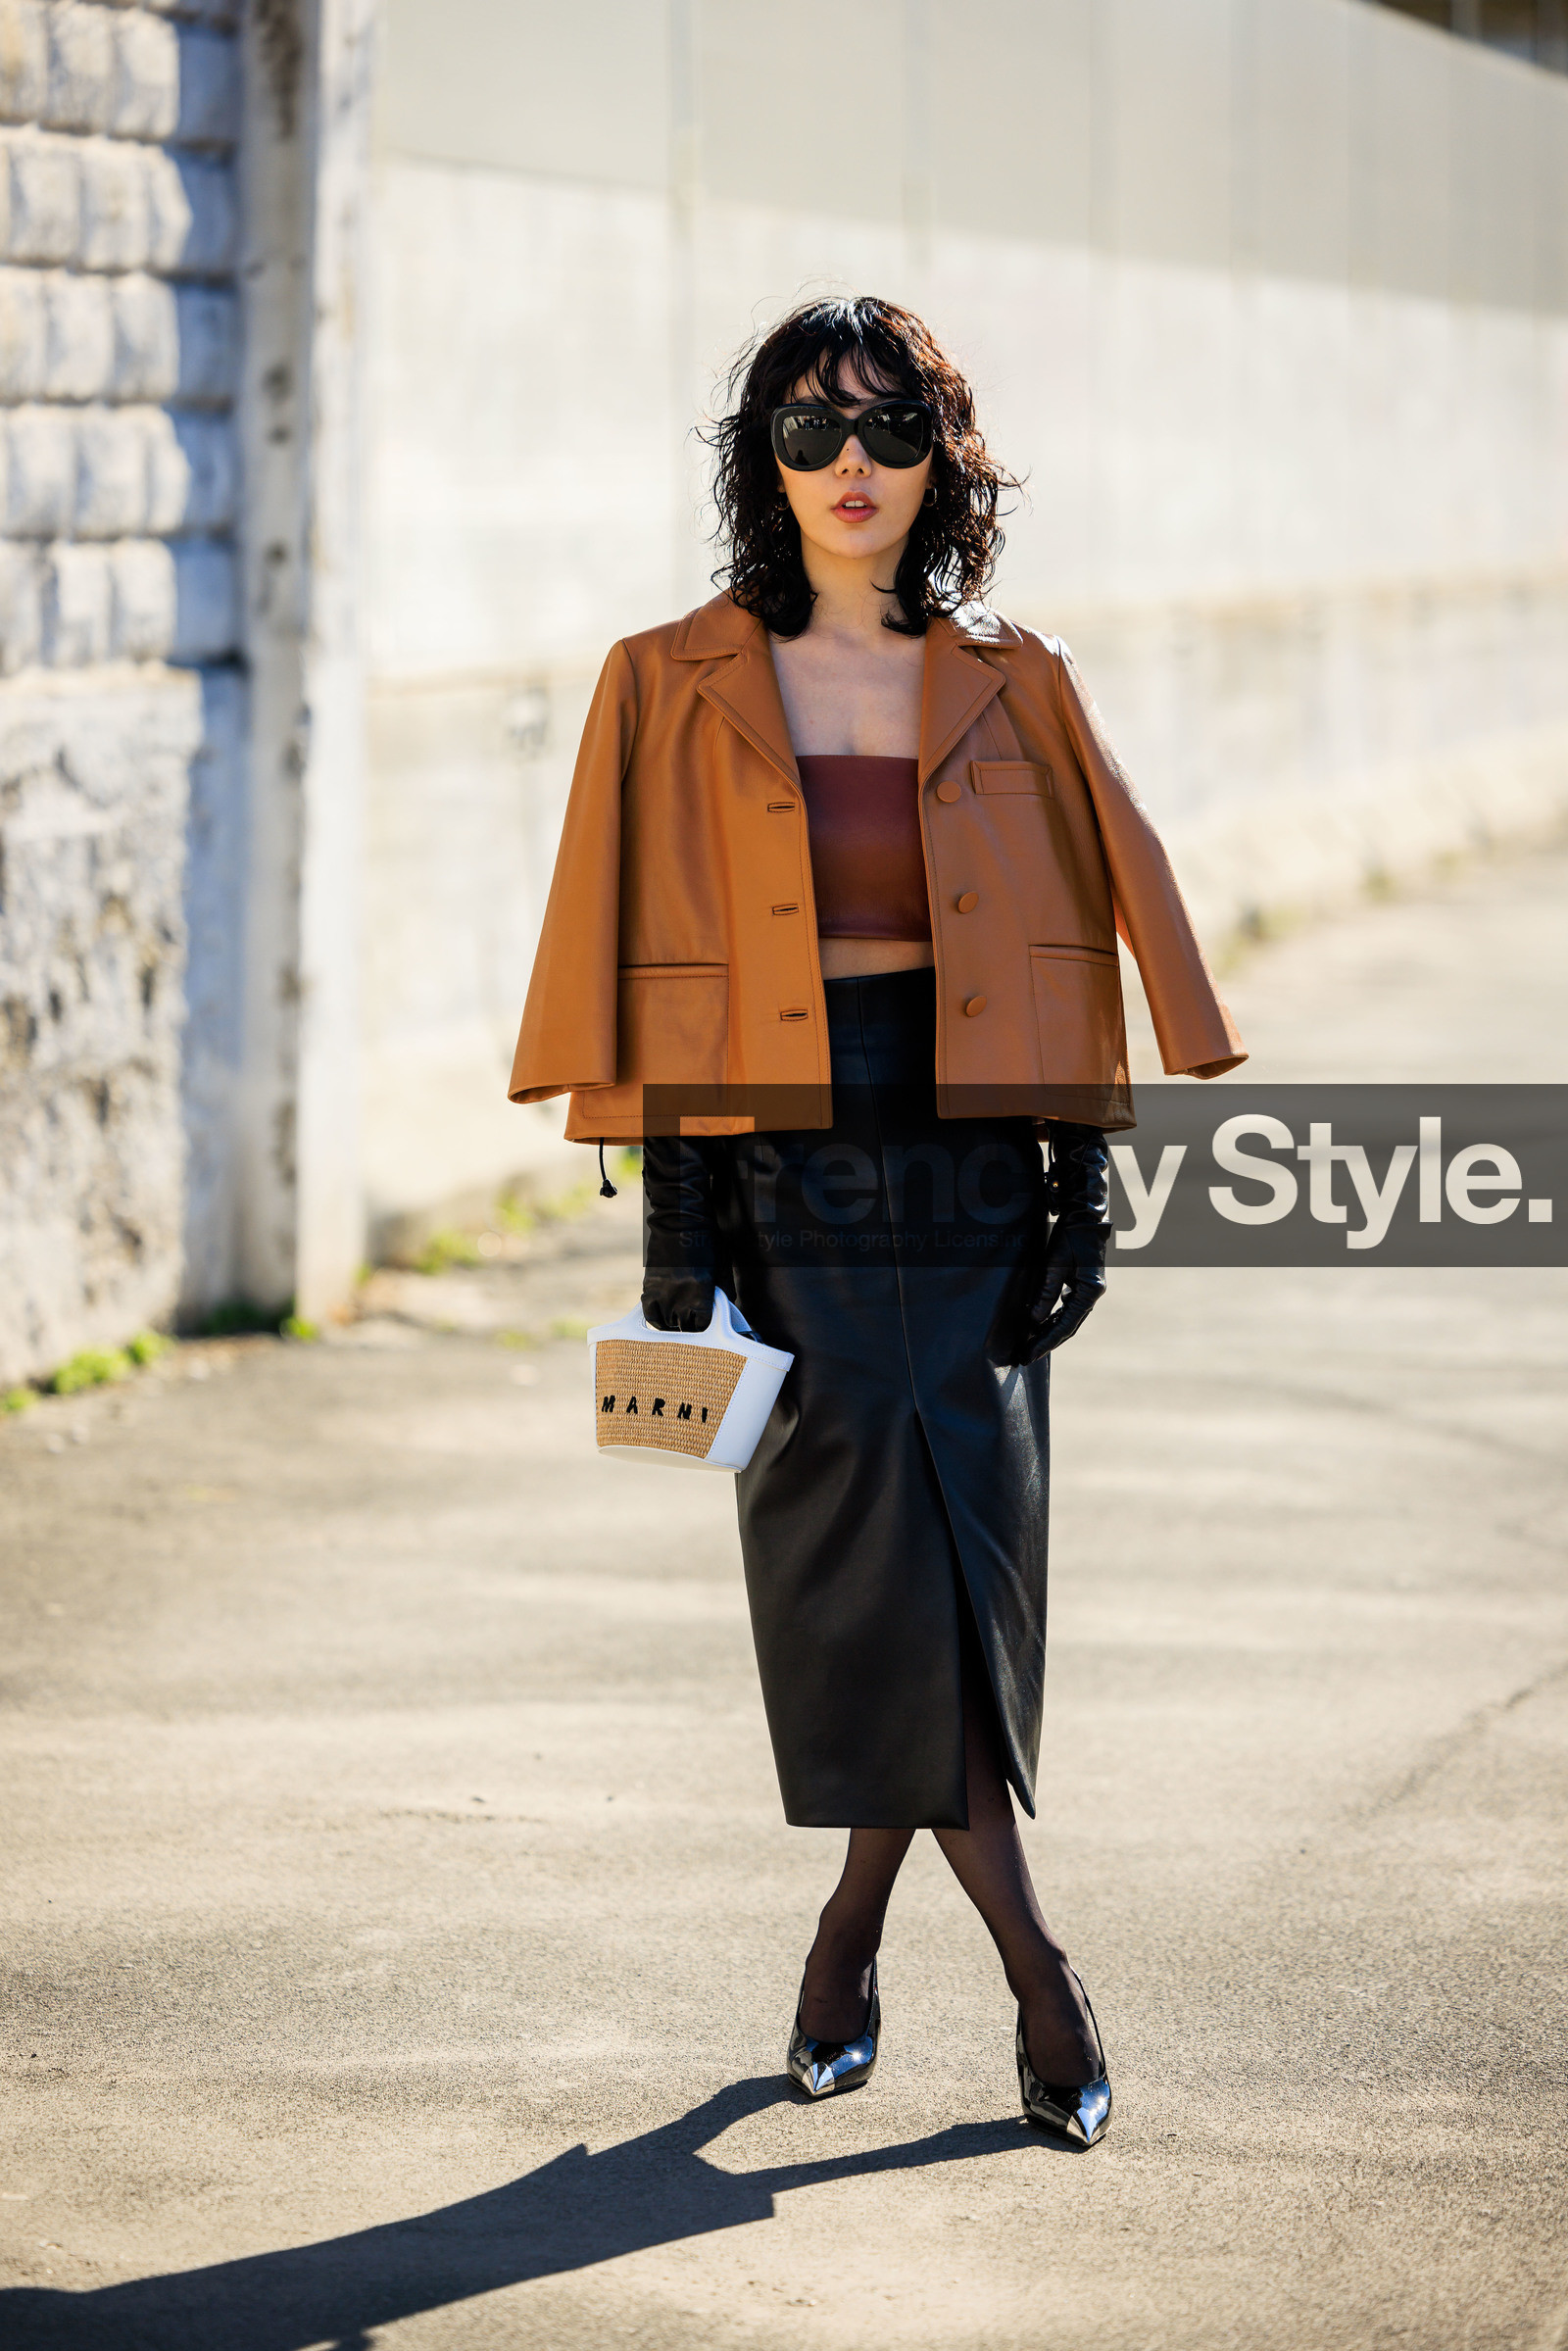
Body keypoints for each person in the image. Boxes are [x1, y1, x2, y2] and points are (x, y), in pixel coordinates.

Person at [510, 295, 1244, 2148]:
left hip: (979, 1174)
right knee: (867, 1584)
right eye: (813, 428)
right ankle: (1039, 1977)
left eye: (892, 428)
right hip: (788, 1178)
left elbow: (1078, 930)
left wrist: (1087, 1169)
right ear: (762, 457)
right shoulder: (666, 677)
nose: (855, 466)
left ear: (945, 459)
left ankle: (848, 1941)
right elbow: (645, 960)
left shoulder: (1019, 673)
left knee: (962, 1577)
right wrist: (678, 1226)